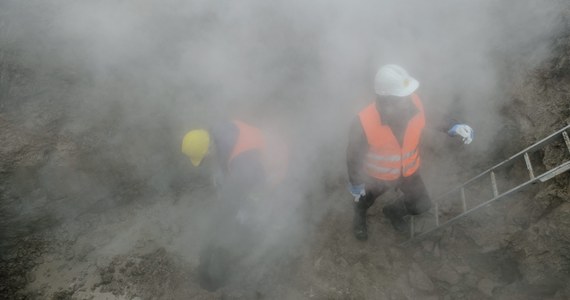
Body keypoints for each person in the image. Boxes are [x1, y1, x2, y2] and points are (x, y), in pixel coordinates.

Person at [346, 64, 474, 241]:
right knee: (362, 202)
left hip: (408, 172)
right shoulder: (364, 122)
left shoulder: (414, 104)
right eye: (402, 98)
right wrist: (356, 183)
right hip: (376, 177)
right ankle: (359, 218)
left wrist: (454, 125)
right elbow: (354, 155)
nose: (408, 101)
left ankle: (392, 212)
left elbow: (433, 115)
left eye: (406, 97)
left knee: (421, 205)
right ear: (386, 99)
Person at [181, 119, 288, 290]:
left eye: (204, 158)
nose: (205, 162)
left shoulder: (243, 163)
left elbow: (232, 201)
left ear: (208, 148)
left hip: (272, 164)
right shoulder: (215, 131)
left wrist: (211, 242)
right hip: (254, 157)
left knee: (256, 204)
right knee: (221, 181)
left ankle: (273, 240)